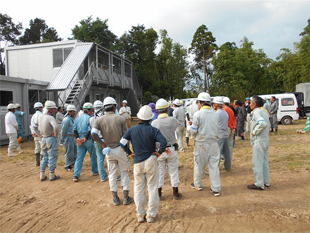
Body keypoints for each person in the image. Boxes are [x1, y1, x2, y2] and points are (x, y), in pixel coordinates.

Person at [119, 105, 169, 223]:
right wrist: (159, 153)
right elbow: (164, 142)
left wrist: (130, 153)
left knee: (138, 188)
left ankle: (140, 214)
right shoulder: (153, 130)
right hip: (151, 160)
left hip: (138, 162)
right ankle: (151, 215)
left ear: (139, 117)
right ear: (150, 118)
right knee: (152, 187)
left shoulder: (132, 130)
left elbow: (122, 143)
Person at [91, 97, 133, 206]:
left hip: (108, 150)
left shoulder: (99, 120)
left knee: (112, 173)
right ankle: (126, 197)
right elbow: (126, 136)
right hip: (120, 149)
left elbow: (93, 135)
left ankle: (115, 198)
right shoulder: (121, 119)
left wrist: (103, 144)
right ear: (114, 107)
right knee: (124, 172)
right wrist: (128, 151)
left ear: (104, 108)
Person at [188, 92, 221, 196]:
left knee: (198, 165)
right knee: (214, 166)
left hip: (201, 143)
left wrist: (191, 132)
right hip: (214, 143)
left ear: (201, 103)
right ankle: (216, 188)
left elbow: (193, 131)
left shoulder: (197, 114)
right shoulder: (216, 114)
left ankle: (197, 184)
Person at [151, 98, 182, 200]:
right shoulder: (173, 120)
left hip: (159, 151)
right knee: (173, 171)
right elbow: (177, 125)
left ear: (157, 110)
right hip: (171, 149)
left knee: (160, 172)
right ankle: (175, 193)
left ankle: (159, 193)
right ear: (167, 109)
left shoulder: (154, 123)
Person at [247, 96, 270, 190]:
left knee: (257, 162)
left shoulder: (257, 112)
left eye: (251, 103)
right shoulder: (264, 112)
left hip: (259, 140)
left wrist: (254, 132)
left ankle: (259, 183)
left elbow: (262, 124)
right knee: (264, 162)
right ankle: (266, 181)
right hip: (265, 139)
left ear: (255, 104)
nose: (249, 104)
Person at [34, 101, 60, 181]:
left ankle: (42, 175)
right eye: (54, 109)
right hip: (50, 138)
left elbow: (34, 126)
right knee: (52, 156)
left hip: (43, 138)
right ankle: (52, 175)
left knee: (44, 157)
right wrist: (55, 135)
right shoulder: (50, 117)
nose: (55, 111)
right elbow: (56, 127)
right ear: (50, 109)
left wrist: (39, 134)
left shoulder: (40, 117)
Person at [73, 102, 98, 182]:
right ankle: (94, 171)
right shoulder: (89, 118)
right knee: (93, 155)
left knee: (79, 157)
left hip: (80, 140)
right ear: (88, 110)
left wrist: (78, 138)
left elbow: (75, 130)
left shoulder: (77, 119)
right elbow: (90, 129)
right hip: (88, 140)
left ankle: (76, 175)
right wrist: (86, 138)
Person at [90, 100, 108, 182]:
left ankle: (102, 176)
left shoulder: (91, 119)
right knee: (109, 158)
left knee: (100, 159)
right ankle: (112, 175)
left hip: (96, 140)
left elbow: (92, 132)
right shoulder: (105, 117)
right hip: (106, 139)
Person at [213, 97, 231, 172]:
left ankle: (214, 169)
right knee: (226, 152)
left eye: (214, 103)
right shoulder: (225, 112)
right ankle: (228, 167)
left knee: (217, 153)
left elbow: (214, 125)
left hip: (219, 135)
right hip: (225, 134)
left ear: (217, 104)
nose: (213, 104)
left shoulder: (217, 113)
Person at [61, 104, 77, 171]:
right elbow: (63, 130)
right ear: (70, 112)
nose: (74, 113)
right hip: (68, 137)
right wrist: (62, 139)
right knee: (69, 152)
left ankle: (72, 163)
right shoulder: (66, 120)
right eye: (73, 112)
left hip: (72, 137)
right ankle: (68, 165)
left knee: (74, 151)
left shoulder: (70, 119)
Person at [223, 97, 236, 166]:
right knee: (230, 146)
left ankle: (226, 162)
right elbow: (234, 119)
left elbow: (226, 120)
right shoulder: (231, 110)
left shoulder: (224, 110)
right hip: (232, 128)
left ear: (223, 103)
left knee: (225, 146)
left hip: (227, 128)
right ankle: (229, 162)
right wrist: (234, 127)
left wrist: (231, 127)